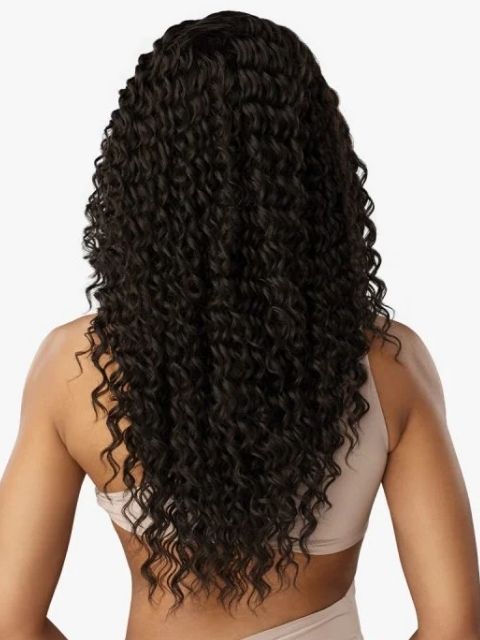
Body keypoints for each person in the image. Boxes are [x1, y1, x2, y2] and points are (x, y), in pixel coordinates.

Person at [1, 10, 479, 640]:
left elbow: (9, 620)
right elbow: (455, 626)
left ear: (143, 176)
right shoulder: (389, 366)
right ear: (312, 171)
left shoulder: (77, 368)